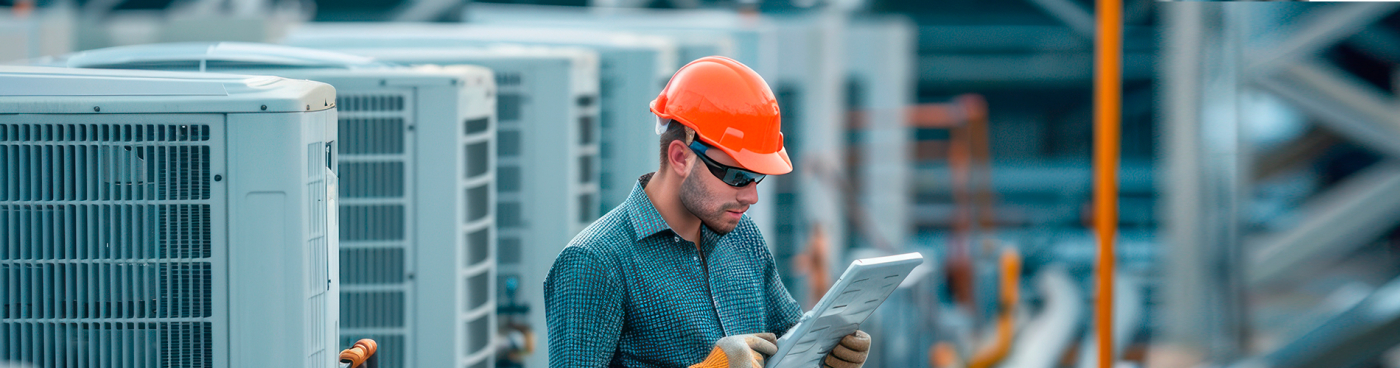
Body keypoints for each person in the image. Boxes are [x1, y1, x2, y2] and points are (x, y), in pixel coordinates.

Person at [544, 56, 871, 368]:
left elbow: (788, 341)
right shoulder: (595, 263)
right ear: (680, 157)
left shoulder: (742, 235)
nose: (752, 196)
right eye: (737, 176)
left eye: (756, 177)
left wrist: (823, 355)